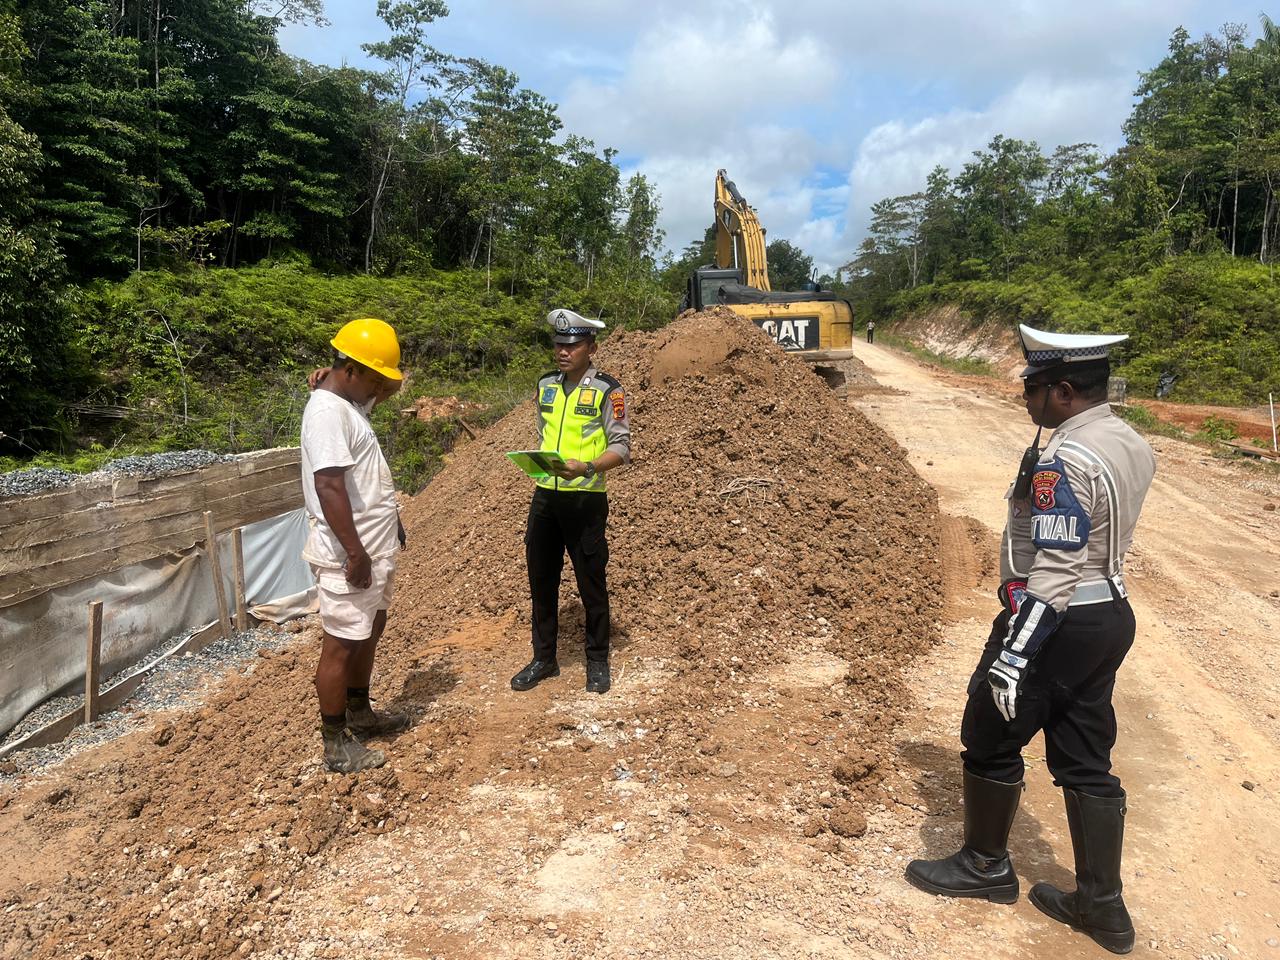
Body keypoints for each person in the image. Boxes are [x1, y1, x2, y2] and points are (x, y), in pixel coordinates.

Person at [905, 324, 1156, 956]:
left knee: (989, 731)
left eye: (1033, 388)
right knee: (1084, 750)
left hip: (1057, 617)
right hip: (1108, 614)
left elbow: (1058, 565)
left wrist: (1016, 653)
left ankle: (984, 866)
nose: (1025, 398)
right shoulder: (1125, 439)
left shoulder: (1066, 458)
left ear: (1064, 390)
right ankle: (1103, 907)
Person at [300, 317, 411, 774]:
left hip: (374, 545)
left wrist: (390, 525)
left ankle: (360, 710)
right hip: (350, 552)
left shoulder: (346, 400)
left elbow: (362, 479)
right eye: (377, 380)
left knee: (371, 624)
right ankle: (335, 742)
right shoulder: (328, 413)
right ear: (353, 371)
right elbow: (329, 486)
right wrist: (354, 552)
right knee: (341, 643)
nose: (382, 391)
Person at [511, 308, 631, 695]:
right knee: (541, 580)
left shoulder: (608, 390)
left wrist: (588, 467)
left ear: (591, 347)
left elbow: (622, 447)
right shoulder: (545, 385)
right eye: (559, 344)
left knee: (590, 583)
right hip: (545, 498)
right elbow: (545, 435)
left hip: (586, 500)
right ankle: (543, 658)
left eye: (573, 345)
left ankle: (597, 661)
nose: (563, 351)